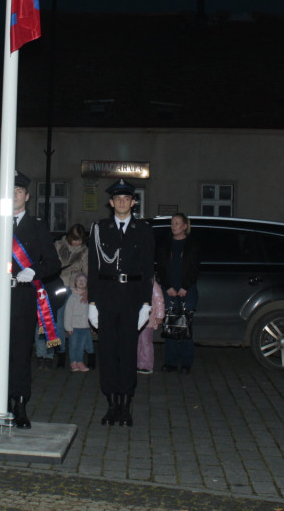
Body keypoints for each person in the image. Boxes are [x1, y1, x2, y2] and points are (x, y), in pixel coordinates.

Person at [0, 172, 62, 429]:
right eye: (11, 191)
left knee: (20, 354)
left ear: (27, 196)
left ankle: (20, 405)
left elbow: (53, 263)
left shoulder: (37, 226)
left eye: (19, 191)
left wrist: (35, 271)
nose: (15, 194)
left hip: (24, 298)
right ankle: (0, 402)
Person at [87, 179, 154, 427]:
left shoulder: (143, 230)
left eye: (127, 198)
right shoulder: (99, 228)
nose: (122, 202)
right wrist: (92, 303)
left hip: (132, 298)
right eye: (118, 199)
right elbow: (93, 267)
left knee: (127, 353)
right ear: (111, 202)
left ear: (133, 202)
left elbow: (148, 269)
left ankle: (126, 405)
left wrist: (146, 304)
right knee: (107, 353)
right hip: (105, 296)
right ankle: (111, 404)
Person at [156, 213, 200, 374]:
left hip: (186, 290)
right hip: (169, 290)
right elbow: (161, 267)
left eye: (177, 223)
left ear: (185, 226)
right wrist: (167, 287)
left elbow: (194, 268)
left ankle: (186, 362)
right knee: (170, 325)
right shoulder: (165, 245)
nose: (174, 226)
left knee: (185, 325)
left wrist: (185, 287)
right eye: (172, 223)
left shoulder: (192, 245)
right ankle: (171, 362)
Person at [55, 224, 88, 369]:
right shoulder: (58, 245)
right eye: (75, 239)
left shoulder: (85, 251)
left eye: (80, 239)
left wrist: (87, 289)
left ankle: (76, 355)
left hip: (76, 287)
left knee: (77, 321)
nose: (77, 243)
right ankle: (61, 352)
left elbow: (87, 270)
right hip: (61, 285)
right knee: (60, 319)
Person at [136, 276, 165, 374]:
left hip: (148, 318)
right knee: (137, 341)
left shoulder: (151, 282)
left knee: (146, 341)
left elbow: (159, 299)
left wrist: (160, 315)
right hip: (136, 318)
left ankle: (146, 365)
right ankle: (137, 363)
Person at [64, 273, 91, 371]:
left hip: (84, 326)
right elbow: (68, 312)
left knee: (81, 346)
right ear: (75, 282)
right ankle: (73, 362)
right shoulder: (73, 297)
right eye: (79, 280)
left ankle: (80, 361)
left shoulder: (88, 296)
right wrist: (68, 327)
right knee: (73, 345)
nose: (81, 282)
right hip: (74, 326)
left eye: (84, 280)